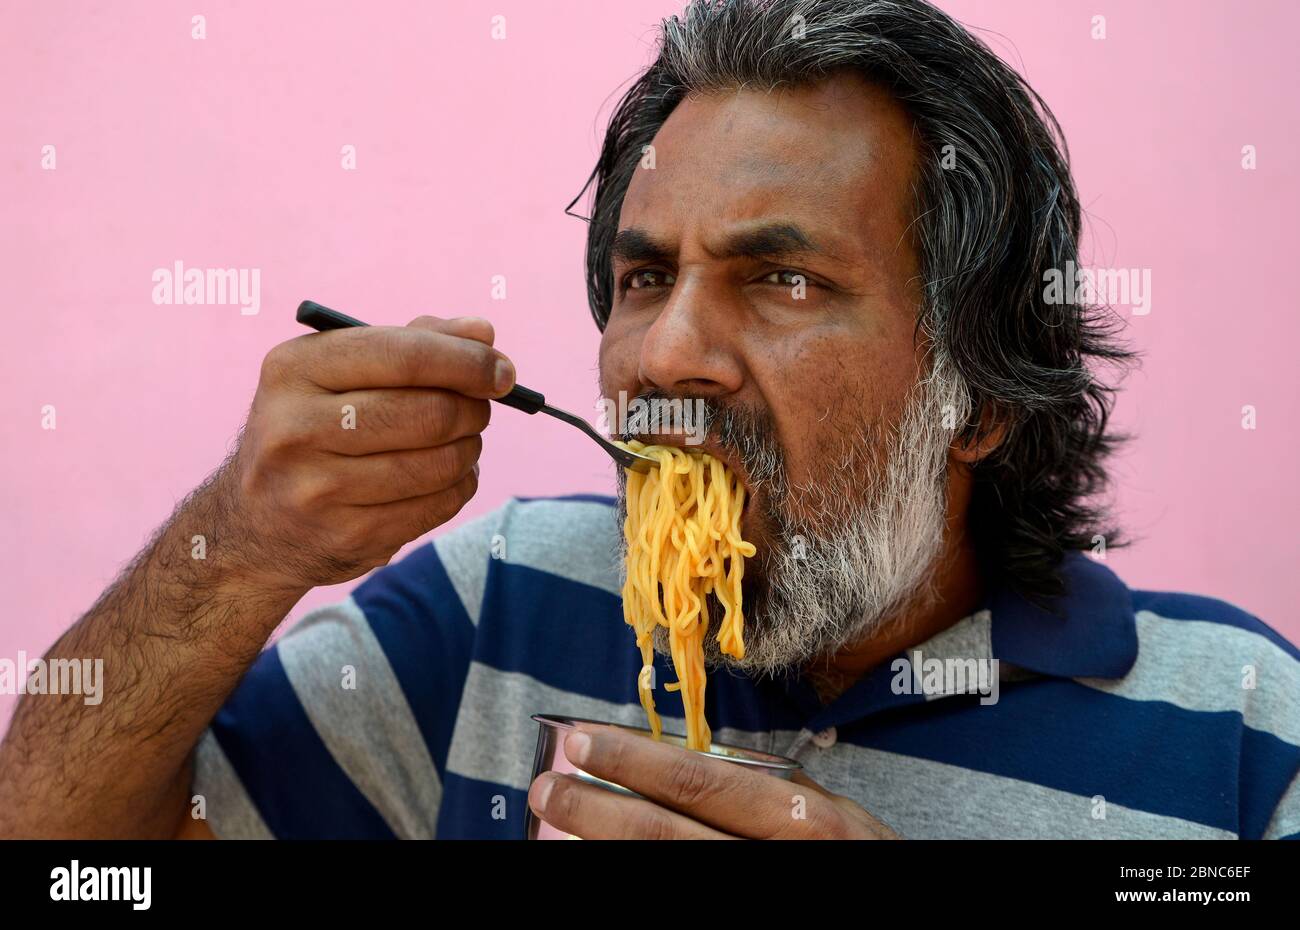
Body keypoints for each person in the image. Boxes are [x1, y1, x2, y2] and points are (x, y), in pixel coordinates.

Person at [2, 0, 1296, 840]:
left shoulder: (1245, 733)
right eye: (642, 277)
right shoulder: (490, 610)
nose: (664, 351)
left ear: (982, 396)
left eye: (782, 279)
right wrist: (234, 546)